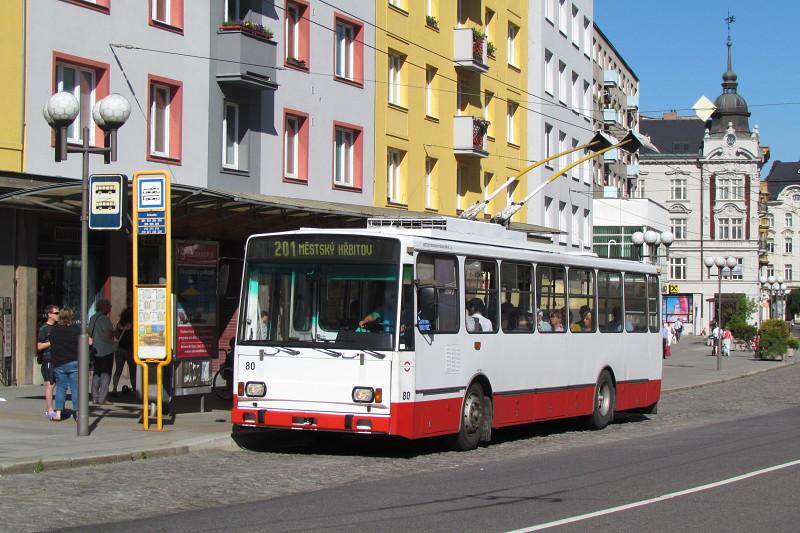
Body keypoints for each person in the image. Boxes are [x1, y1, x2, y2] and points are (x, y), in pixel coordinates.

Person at [48, 308, 80, 421]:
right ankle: (78, 414)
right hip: (74, 362)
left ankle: (58, 413)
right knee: (75, 388)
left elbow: (51, 343)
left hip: (59, 363)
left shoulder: (54, 330)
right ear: (71, 317)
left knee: (61, 388)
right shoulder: (76, 330)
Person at [88, 299, 115, 405]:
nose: (111, 307)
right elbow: (109, 334)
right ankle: (102, 398)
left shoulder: (93, 318)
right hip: (106, 350)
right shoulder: (105, 319)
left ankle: (94, 397)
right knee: (106, 374)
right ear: (104, 307)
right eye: (109, 305)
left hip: (96, 350)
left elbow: (89, 332)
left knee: (96, 373)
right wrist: (115, 333)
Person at [37, 304, 59, 419]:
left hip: (59, 358)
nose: (58, 315)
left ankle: (58, 409)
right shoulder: (43, 329)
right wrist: (51, 342)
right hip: (48, 358)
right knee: (50, 384)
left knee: (57, 384)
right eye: (56, 313)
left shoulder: (58, 327)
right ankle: (50, 410)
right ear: (49, 314)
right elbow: (39, 346)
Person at [111, 306, 134, 397]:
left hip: (119, 350)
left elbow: (117, 336)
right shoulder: (133, 324)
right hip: (130, 350)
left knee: (118, 370)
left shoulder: (119, 324)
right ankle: (135, 389)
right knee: (133, 370)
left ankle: (114, 388)